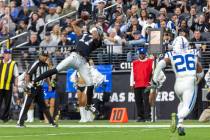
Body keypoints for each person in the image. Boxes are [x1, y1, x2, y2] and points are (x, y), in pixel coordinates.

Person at [29, 27, 103, 114]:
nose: (94, 32)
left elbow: (97, 42)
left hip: (82, 61)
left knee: (90, 84)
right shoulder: (85, 34)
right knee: (55, 69)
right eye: (94, 31)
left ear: (99, 34)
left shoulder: (98, 42)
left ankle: (89, 105)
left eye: (96, 32)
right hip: (74, 56)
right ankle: (34, 80)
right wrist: (77, 23)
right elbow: (76, 27)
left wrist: (96, 36)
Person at [152, 36, 204, 136]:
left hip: (178, 84)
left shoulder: (171, 55)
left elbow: (159, 65)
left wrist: (154, 80)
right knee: (188, 108)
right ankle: (177, 117)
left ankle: (180, 125)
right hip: (189, 82)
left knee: (182, 103)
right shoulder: (192, 53)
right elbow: (200, 69)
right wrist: (199, 78)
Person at [17, 52, 57, 128]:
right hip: (32, 87)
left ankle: (52, 122)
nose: (45, 57)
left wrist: (49, 85)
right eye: (44, 56)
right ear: (40, 56)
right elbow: (28, 74)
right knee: (27, 104)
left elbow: (46, 76)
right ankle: (20, 123)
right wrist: (27, 86)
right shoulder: (36, 64)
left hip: (40, 88)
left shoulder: (46, 65)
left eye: (46, 56)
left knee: (44, 106)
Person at [130, 47, 153, 122]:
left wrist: (151, 82)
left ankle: (148, 117)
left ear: (145, 54)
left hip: (146, 85)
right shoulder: (134, 63)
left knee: (146, 101)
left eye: (143, 54)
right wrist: (131, 84)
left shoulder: (150, 62)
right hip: (137, 85)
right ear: (138, 54)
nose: (141, 55)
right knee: (138, 101)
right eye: (140, 54)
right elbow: (132, 74)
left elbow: (153, 73)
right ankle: (140, 117)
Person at [0, 49, 19, 122]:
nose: (8, 55)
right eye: (6, 54)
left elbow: (16, 76)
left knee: (7, 103)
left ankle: (4, 118)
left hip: (8, 86)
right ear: (3, 55)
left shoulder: (13, 63)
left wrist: (16, 86)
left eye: (9, 54)